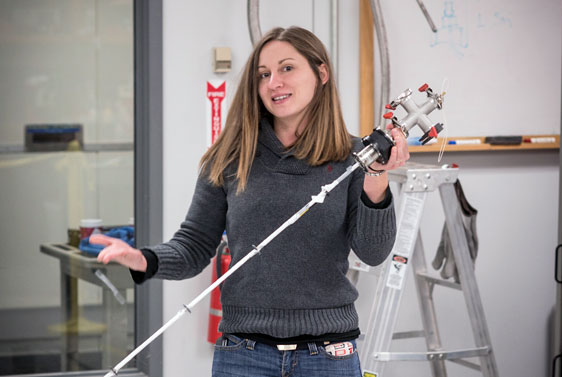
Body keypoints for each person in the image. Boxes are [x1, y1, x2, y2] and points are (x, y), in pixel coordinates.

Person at [91, 26, 409, 377]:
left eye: (287, 68)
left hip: (329, 354)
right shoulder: (230, 158)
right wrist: (143, 258)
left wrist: (377, 175)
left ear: (321, 73)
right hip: (244, 355)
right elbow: (194, 247)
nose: (274, 82)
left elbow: (373, 252)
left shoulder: (354, 157)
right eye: (264, 74)